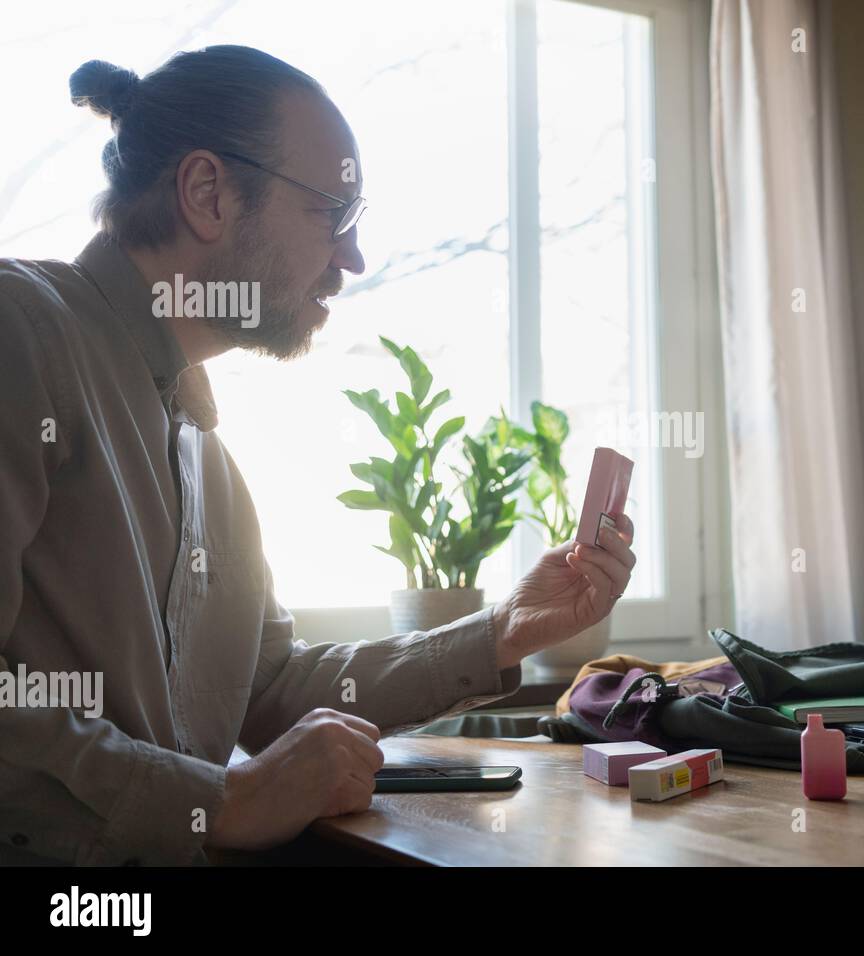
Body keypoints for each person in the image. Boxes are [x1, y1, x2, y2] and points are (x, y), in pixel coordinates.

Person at [0, 46, 635, 865]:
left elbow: (266, 688)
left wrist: (505, 630)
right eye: (332, 210)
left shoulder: (210, 463)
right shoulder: (20, 330)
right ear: (207, 193)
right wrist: (216, 803)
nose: (354, 257)